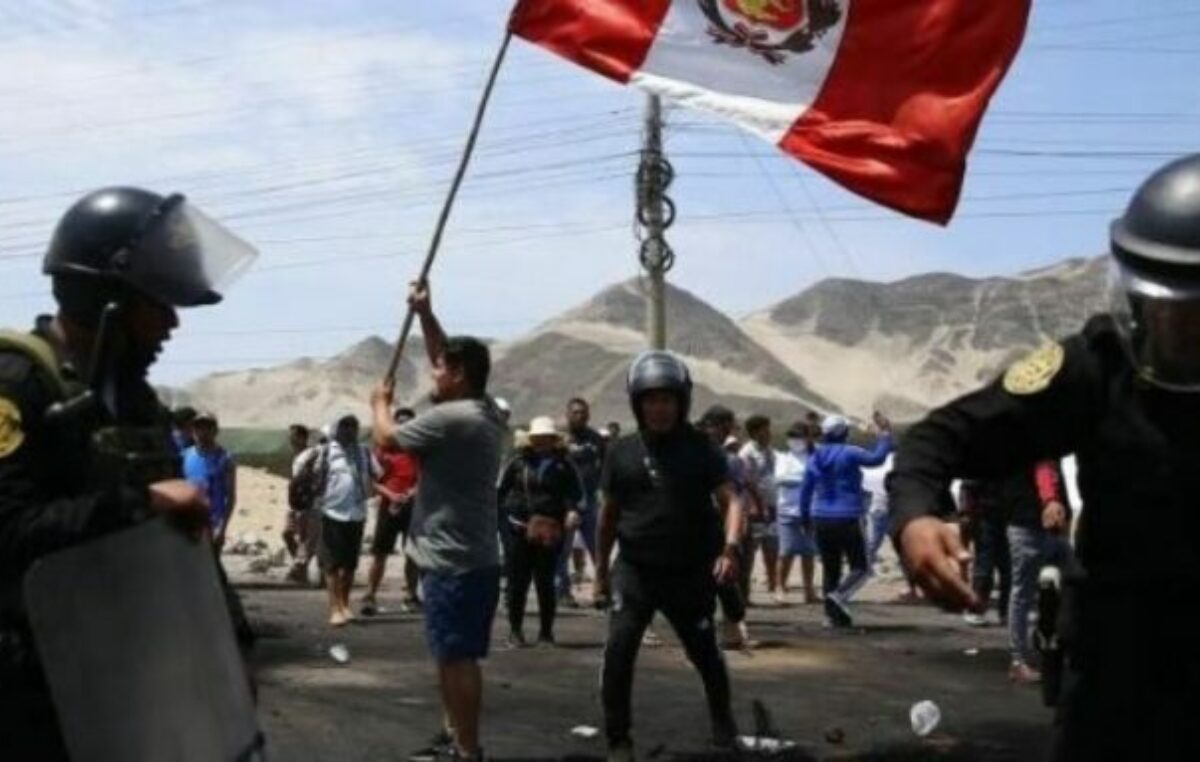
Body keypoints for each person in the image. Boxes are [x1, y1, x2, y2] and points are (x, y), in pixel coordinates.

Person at [889, 154, 1200, 761]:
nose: (1185, 329)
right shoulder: (1095, 368)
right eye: (1172, 309)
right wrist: (916, 516)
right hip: (1119, 673)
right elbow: (939, 437)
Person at [0, 186, 256, 757]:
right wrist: (138, 505)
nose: (171, 322)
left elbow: (189, 545)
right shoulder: (17, 385)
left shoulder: (135, 400)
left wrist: (234, 647)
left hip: (130, 686)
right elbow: (10, 530)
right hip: (33, 697)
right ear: (104, 300)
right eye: (157, 302)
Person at [371, 281, 506, 762]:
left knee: (456, 658)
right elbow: (445, 356)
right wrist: (427, 315)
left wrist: (379, 402)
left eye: (441, 368)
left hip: (455, 561)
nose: (433, 371)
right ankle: (455, 736)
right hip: (468, 558)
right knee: (450, 654)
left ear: (460, 375)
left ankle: (467, 750)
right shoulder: (482, 409)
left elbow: (387, 440)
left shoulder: (453, 421)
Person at [595, 352, 745, 761]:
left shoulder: (702, 449)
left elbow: (732, 501)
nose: (659, 408)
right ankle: (619, 740)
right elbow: (607, 519)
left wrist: (729, 549)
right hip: (635, 570)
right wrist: (600, 574)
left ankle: (723, 726)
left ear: (681, 402)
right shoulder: (621, 452)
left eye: (667, 400)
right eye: (650, 400)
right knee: (619, 649)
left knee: (704, 653)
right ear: (637, 403)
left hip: (689, 571)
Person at [800, 414, 893, 628]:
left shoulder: (815, 457)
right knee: (861, 567)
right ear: (844, 433)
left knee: (831, 568)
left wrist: (805, 519)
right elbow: (876, 459)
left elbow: (805, 491)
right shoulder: (850, 452)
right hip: (848, 516)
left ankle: (831, 616)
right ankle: (839, 596)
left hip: (820, 517)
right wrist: (885, 435)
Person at [498, 415, 582, 647]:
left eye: (546, 437)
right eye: (538, 437)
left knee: (546, 582)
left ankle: (546, 633)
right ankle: (515, 631)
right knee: (517, 582)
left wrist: (573, 511)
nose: (542, 441)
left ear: (554, 439)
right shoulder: (517, 463)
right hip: (518, 530)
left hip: (549, 532)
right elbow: (500, 493)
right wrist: (504, 522)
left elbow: (576, 494)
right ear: (531, 439)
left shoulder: (564, 465)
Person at [1005, 460, 1074, 684]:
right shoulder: (1035, 441)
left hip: (1044, 526)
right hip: (1029, 524)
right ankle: (1020, 660)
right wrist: (1051, 500)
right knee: (1023, 595)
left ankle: (1041, 647)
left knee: (1042, 592)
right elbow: (1043, 469)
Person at [314, 413, 380, 628]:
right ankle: (334, 608)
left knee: (349, 565)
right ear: (336, 429)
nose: (350, 430)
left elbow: (379, 474)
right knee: (332, 565)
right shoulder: (325, 452)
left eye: (353, 426)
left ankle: (344, 604)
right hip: (332, 512)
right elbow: (309, 476)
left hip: (357, 514)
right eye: (344, 426)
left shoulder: (363, 452)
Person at [697, 405, 754, 649]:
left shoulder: (722, 457)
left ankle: (729, 628)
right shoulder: (705, 453)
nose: (728, 433)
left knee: (724, 576)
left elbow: (736, 495)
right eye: (727, 427)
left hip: (716, 524)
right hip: (699, 524)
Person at [362, 407, 422, 616]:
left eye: (408, 421)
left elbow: (424, 478)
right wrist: (391, 495)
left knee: (413, 554)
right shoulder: (385, 450)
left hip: (413, 506)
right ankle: (370, 595)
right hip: (389, 506)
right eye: (401, 421)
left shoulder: (418, 450)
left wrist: (411, 493)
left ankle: (411, 595)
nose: (404, 425)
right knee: (380, 553)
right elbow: (373, 481)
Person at [559, 397, 604, 607]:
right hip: (566, 503)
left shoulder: (595, 439)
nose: (580, 416)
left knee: (598, 546)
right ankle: (562, 591)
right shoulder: (560, 440)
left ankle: (603, 589)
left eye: (584, 412)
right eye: (575, 412)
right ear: (567, 415)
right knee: (563, 549)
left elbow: (605, 466)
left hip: (590, 500)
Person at [958, 478, 1012, 627]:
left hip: (1007, 517)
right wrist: (965, 513)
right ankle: (976, 609)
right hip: (984, 516)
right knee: (984, 566)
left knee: (1008, 568)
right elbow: (968, 485)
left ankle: (1006, 611)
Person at [775, 421, 819, 604]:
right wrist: (806, 479)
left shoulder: (815, 456)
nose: (795, 441)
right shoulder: (784, 457)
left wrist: (805, 480)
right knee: (786, 552)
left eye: (799, 436)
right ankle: (780, 587)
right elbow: (781, 478)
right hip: (787, 510)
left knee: (809, 552)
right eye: (792, 437)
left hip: (810, 511)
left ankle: (809, 591)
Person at [739, 415, 781, 603]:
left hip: (772, 507)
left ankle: (774, 587)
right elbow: (748, 482)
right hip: (754, 509)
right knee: (749, 551)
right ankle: (744, 593)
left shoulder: (770, 451)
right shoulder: (747, 453)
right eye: (765, 429)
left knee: (772, 548)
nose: (769, 433)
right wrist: (758, 505)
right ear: (755, 432)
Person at [181, 411, 237, 551]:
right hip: (189, 524)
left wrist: (222, 529)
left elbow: (230, 497)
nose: (202, 431)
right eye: (198, 427)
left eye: (207, 427)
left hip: (213, 525)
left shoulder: (225, 458)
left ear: (215, 431)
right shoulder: (184, 455)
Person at [284, 424, 322, 584]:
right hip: (296, 503)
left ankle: (299, 568)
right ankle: (301, 567)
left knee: (306, 538)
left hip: (309, 504)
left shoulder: (311, 455)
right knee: (288, 533)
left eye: (294, 436)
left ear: (302, 437)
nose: (290, 439)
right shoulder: (298, 457)